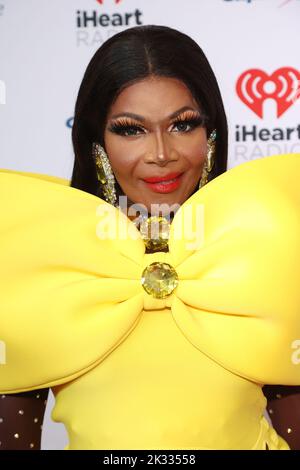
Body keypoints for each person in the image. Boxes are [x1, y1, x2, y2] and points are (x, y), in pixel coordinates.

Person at [0, 25, 300, 451]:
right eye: (130, 129)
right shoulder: (45, 258)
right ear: (96, 143)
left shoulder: (259, 244)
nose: (161, 153)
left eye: (183, 125)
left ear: (211, 132)